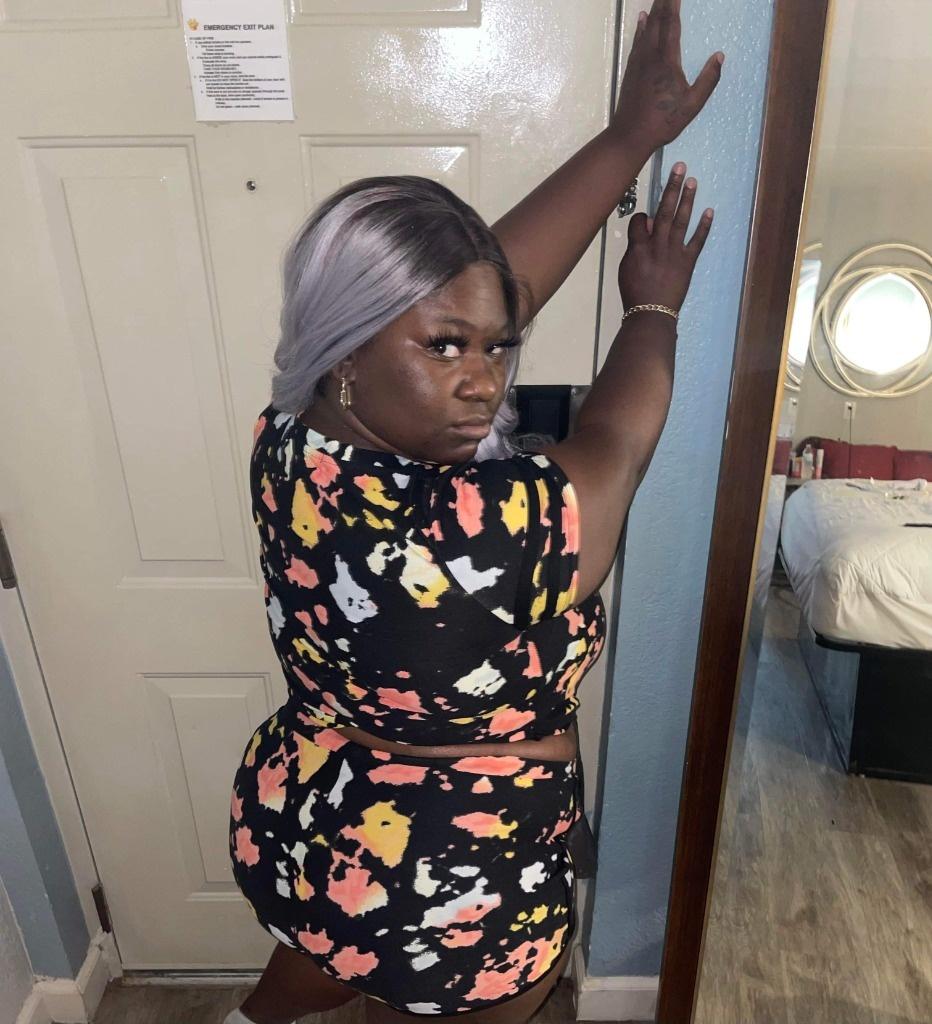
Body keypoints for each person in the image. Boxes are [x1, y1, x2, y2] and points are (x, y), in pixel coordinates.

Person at [226, 2, 722, 1022]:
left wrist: (628, 137)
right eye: (447, 349)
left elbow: (470, 293)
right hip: (465, 872)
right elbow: (618, 440)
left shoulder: (289, 443)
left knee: (317, 955)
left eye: (497, 347)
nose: (485, 381)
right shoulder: (487, 531)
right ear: (348, 344)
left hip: (327, 817)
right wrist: (653, 305)